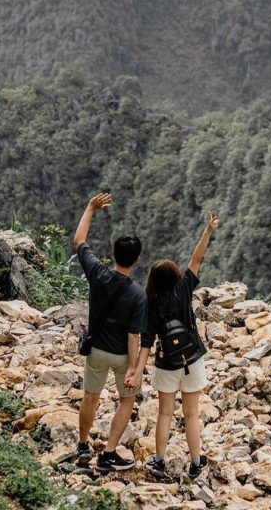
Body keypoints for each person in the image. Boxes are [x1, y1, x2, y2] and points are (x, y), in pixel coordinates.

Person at [126, 211, 220, 481]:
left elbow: (146, 342)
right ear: (176, 276)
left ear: (153, 281)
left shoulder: (149, 304)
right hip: (191, 360)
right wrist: (208, 230)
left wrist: (137, 371)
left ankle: (158, 461)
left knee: (165, 413)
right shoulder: (183, 290)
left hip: (166, 363)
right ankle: (195, 462)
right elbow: (197, 258)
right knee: (191, 414)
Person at [72, 192, 148, 474]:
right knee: (126, 400)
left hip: (96, 351)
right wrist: (133, 367)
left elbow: (79, 241)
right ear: (137, 259)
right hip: (120, 355)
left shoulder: (98, 273)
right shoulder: (138, 294)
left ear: (113, 254)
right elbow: (133, 336)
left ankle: (82, 446)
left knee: (90, 397)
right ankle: (109, 453)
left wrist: (90, 207)